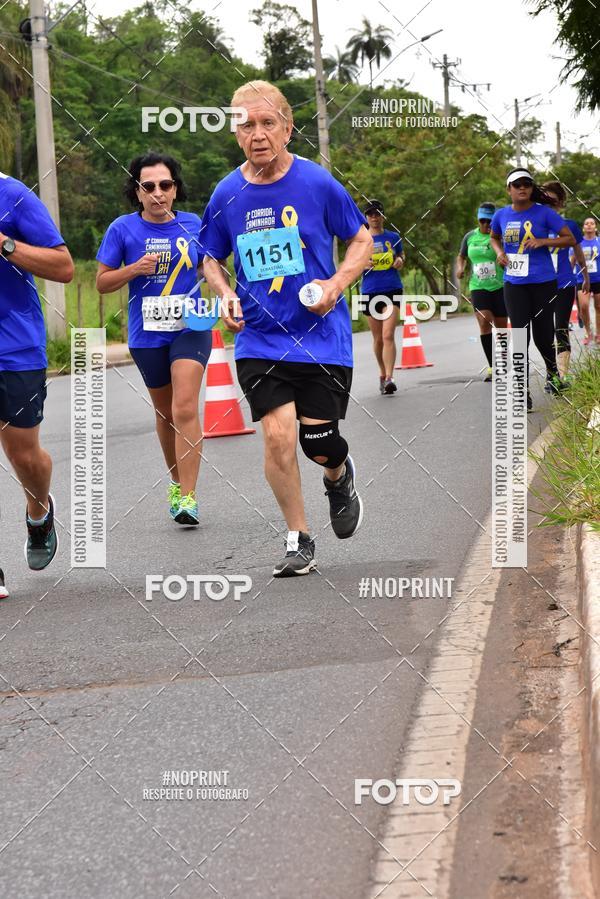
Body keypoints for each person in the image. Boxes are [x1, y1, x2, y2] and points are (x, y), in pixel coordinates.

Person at [201, 80, 373, 577]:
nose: (257, 134)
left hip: (321, 338)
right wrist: (226, 293)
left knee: (319, 443)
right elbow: (210, 255)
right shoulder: (227, 193)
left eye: (267, 123)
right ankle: (299, 535)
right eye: (246, 125)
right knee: (277, 435)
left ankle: (338, 477)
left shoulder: (318, 183)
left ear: (287, 127)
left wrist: (336, 284)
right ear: (235, 133)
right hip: (260, 338)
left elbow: (361, 240)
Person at [96, 153, 210, 526]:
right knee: (165, 414)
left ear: (175, 189)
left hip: (190, 328)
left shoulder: (194, 224)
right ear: (137, 192)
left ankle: (189, 498)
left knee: (184, 408)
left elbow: (211, 264)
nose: (158, 193)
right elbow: (102, 282)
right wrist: (134, 269)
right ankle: (176, 483)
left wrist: (215, 278)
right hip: (147, 335)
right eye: (149, 187)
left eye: (165, 185)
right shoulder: (122, 229)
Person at [0, 172, 74, 597]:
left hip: (14, 346)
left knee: (24, 455)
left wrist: (5, 244)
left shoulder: (12, 196)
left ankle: (38, 508)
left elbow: (64, 267)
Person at [490, 168, 576, 411]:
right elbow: (494, 238)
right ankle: (521, 392)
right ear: (509, 189)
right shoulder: (501, 215)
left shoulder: (544, 214)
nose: (522, 188)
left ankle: (553, 373)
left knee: (542, 335)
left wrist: (544, 241)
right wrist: (499, 253)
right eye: (516, 185)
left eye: (526, 184)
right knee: (520, 336)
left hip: (543, 282)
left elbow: (569, 238)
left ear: (531, 188)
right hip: (514, 284)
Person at [456, 202, 508, 381]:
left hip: (500, 286)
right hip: (478, 286)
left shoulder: (499, 237)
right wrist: (460, 268)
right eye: (483, 221)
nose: (486, 224)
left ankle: (503, 361)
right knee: (485, 321)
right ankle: (493, 367)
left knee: (502, 327)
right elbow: (461, 256)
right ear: (478, 220)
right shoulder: (470, 237)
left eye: (489, 221)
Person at [542, 181, 589, 374]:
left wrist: (585, 276)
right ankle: (550, 373)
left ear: (560, 203)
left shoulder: (569, 226)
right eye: (544, 200)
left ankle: (562, 375)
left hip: (564, 283)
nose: (548, 205)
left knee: (560, 327)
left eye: (552, 201)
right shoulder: (534, 225)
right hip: (540, 284)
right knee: (543, 330)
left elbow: (578, 253)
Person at [359, 199, 404, 394]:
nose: (374, 217)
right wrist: (363, 264)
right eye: (370, 214)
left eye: (377, 214)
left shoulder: (393, 237)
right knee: (377, 339)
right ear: (366, 218)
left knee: (387, 335)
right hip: (370, 291)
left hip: (392, 288)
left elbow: (402, 255)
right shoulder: (359, 239)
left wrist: (400, 260)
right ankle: (382, 372)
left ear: (383, 216)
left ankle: (390, 377)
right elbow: (351, 265)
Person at [572, 216, 600, 345]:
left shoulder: (599, 242)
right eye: (586, 223)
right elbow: (572, 261)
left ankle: (598, 333)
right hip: (581, 278)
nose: (589, 225)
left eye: (592, 223)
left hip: (598, 279)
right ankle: (588, 332)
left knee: (598, 306)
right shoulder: (578, 243)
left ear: (595, 227)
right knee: (583, 306)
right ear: (583, 228)